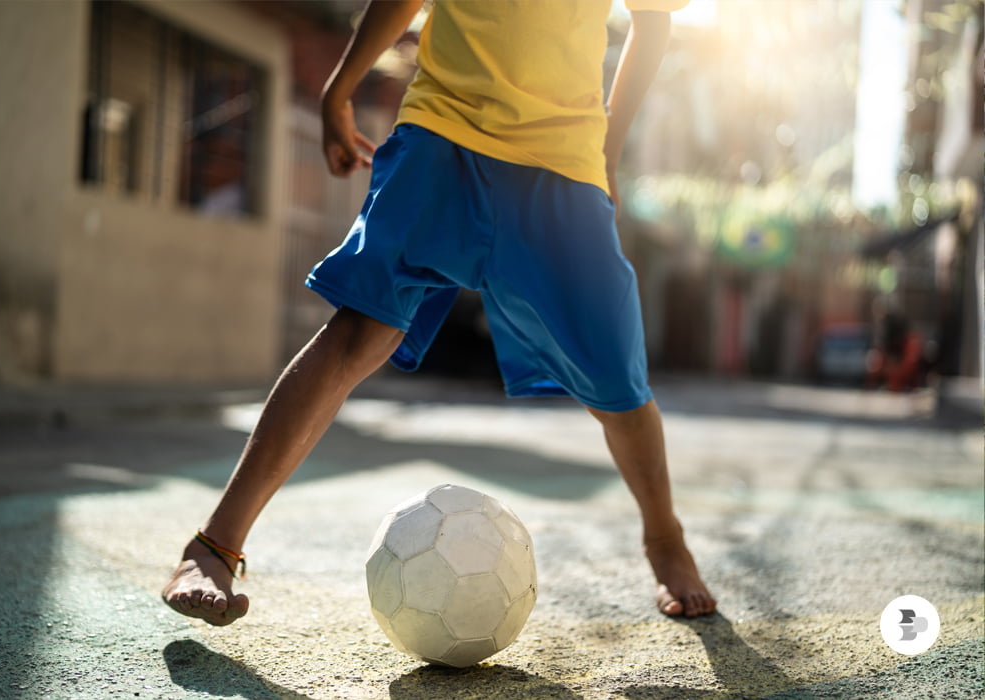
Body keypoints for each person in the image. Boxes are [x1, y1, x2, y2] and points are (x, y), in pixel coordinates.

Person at [163, 0, 716, 626]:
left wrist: (609, 152)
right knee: (355, 334)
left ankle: (664, 538)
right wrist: (338, 88)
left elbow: (652, 19)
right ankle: (214, 543)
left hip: (563, 161)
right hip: (443, 134)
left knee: (618, 382)